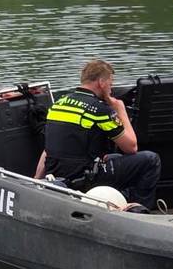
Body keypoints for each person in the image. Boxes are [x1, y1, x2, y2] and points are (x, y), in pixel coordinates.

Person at [34, 60, 161, 210]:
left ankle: (122, 200)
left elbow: (49, 148)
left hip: (57, 175)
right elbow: (131, 147)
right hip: (85, 179)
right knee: (150, 160)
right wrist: (121, 110)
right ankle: (139, 212)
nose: (111, 89)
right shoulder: (99, 110)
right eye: (110, 84)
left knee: (116, 158)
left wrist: (37, 179)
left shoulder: (58, 104)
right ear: (101, 82)